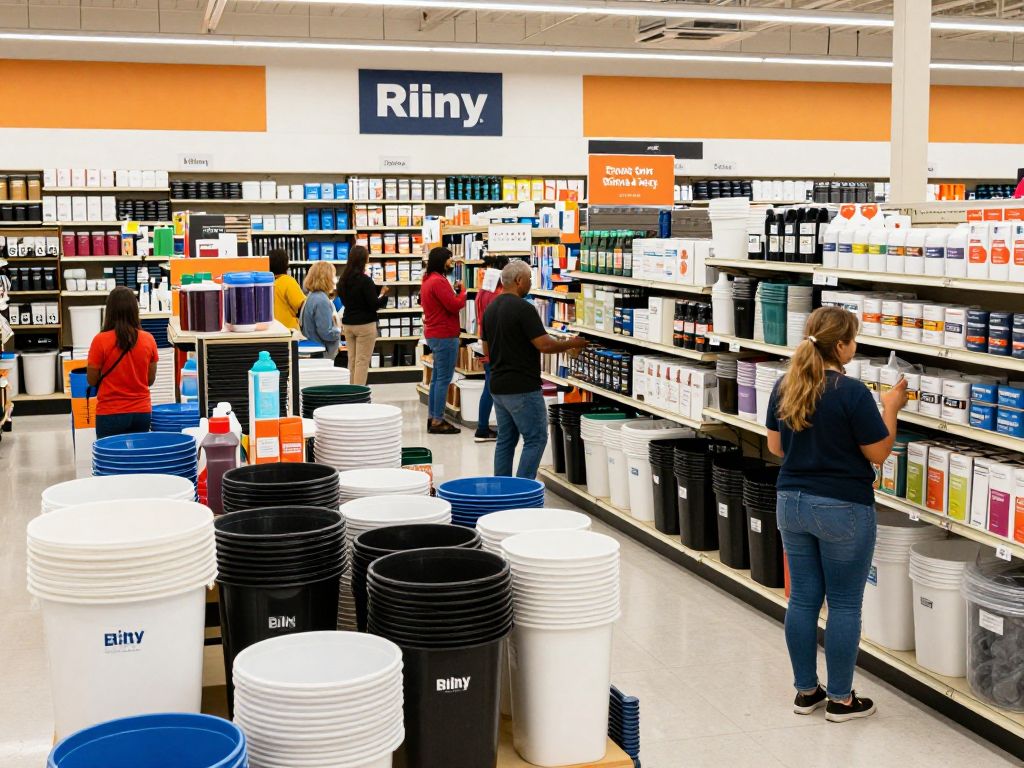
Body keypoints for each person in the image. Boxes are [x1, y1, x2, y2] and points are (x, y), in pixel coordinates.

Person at [766, 306, 908, 724]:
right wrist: (891, 408)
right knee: (844, 604)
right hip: (842, 507)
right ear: (842, 345)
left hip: (790, 503)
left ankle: (806, 692)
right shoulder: (851, 392)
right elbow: (879, 453)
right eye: (854, 339)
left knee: (804, 599)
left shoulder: (784, 385)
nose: (855, 345)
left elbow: (776, 448)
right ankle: (842, 700)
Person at [482, 260, 587, 479]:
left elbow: (486, 348)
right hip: (522, 387)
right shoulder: (524, 308)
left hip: (498, 386)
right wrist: (572, 343)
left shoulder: (491, 308)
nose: (530, 283)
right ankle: (523, 490)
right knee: (536, 438)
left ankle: (503, 490)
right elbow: (545, 345)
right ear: (519, 280)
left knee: (506, 440)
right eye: (529, 279)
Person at [86, 287, 159, 440]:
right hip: (141, 412)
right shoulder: (148, 339)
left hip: (110, 413)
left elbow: (92, 380)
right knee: (138, 459)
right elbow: (149, 380)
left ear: (110, 311)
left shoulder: (100, 341)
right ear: (134, 310)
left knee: (111, 460)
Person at [420, 246, 466, 434]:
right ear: (441, 261)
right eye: (449, 259)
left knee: (437, 379)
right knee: (443, 380)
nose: (451, 263)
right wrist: (463, 292)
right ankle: (438, 420)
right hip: (444, 335)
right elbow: (454, 306)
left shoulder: (428, 280)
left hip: (434, 333)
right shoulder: (438, 282)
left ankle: (433, 417)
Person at [336, 245, 388, 386]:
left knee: (352, 360)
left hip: (348, 324)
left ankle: (350, 391)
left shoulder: (342, 280)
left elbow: (350, 299)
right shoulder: (365, 280)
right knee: (362, 361)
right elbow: (373, 304)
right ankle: (359, 394)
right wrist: (384, 295)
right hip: (365, 324)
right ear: (364, 260)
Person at [472, 262, 506, 443]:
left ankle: (483, 427)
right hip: (492, 346)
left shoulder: (483, 291)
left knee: (489, 386)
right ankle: (483, 429)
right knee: (492, 388)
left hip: (483, 342)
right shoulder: (496, 295)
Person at [300, 261, 342, 362]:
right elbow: (326, 332)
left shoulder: (312, 296)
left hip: (314, 349)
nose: (335, 279)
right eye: (333, 275)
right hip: (322, 353)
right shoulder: (321, 300)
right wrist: (339, 331)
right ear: (326, 278)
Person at [270, 248, 305, 330]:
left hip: (271, 329)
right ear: (286, 264)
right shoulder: (288, 281)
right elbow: (302, 305)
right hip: (288, 329)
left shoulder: (265, 283)